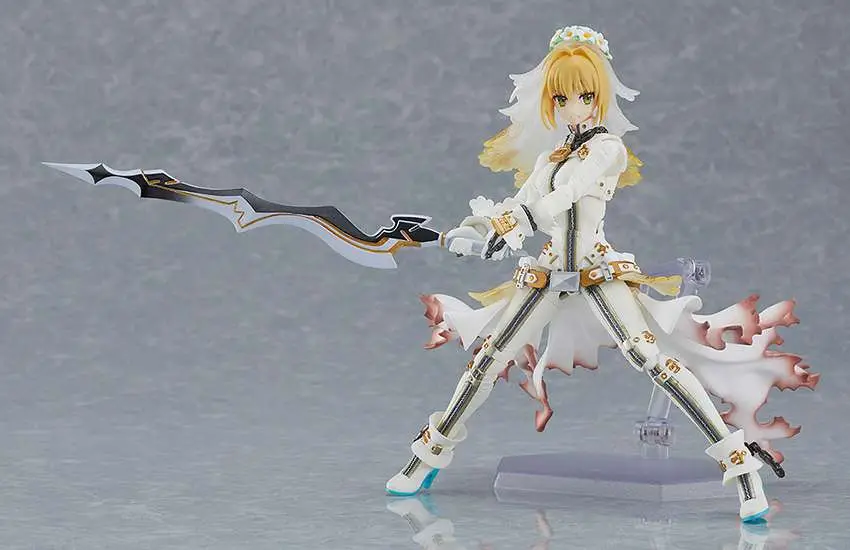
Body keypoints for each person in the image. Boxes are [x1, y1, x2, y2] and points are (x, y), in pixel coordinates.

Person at [386, 25, 817, 523]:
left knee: (654, 360)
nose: (574, 107)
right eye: (562, 98)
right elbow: (523, 199)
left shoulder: (608, 149)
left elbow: (563, 197)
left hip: (594, 269)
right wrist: (478, 228)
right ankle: (427, 457)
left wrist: (512, 224)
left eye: (585, 96)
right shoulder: (550, 157)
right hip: (549, 270)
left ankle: (741, 469)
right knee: (487, 359)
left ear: (600, 97)